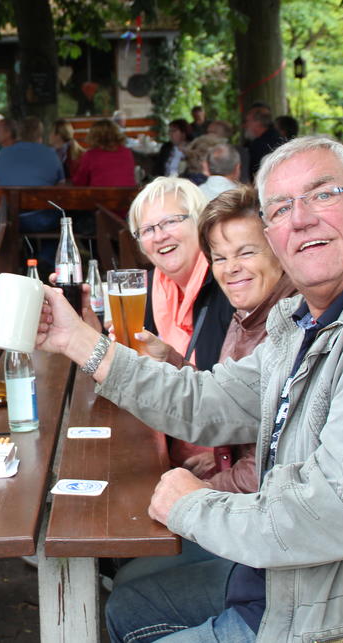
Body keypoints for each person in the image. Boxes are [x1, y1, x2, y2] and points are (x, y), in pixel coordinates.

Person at [36, 135, 343, 641]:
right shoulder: (303, 319)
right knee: (132, 605)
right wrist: (76, 339)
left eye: (323, 195)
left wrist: (193, 506)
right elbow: (208, 402)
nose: (300, 218)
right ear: (274, 234)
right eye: (280, 208)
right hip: (294, 583)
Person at [111, 186, 296, 587]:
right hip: (216, 475)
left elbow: (265, 465)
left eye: (246, 252)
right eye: (147, 228)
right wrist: (172, 362)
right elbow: (226, 395)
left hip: (262, 534)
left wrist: (197, 491)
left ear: (279, 249)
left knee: (129, 573)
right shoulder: (245, 310)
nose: (231, 268)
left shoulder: (281, 323)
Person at [127, 177, 234, 372]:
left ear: (199, 221)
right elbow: (126, 364)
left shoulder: (229, 283)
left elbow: (233, 390)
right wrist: (90, 323)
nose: (160, 236)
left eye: (170, 222)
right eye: (148, 230)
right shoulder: (148, 287)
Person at [0, 116, 65, 187]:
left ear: (19, 134)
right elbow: (61, 184)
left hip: (10, 198)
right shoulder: (51, 154)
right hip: (41, 198)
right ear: (40, 136)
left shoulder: (4, 153)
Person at [73, 119, 136, 187]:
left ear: (93, 136)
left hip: (100, 196)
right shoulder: (127, 152)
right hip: (128, 195)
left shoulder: (90, 155)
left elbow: (79, 182)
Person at [243, 103, 286, 179]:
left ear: (257, 123)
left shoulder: (261, 145)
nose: (244, 125)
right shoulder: (276, 136)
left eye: (247, 121)